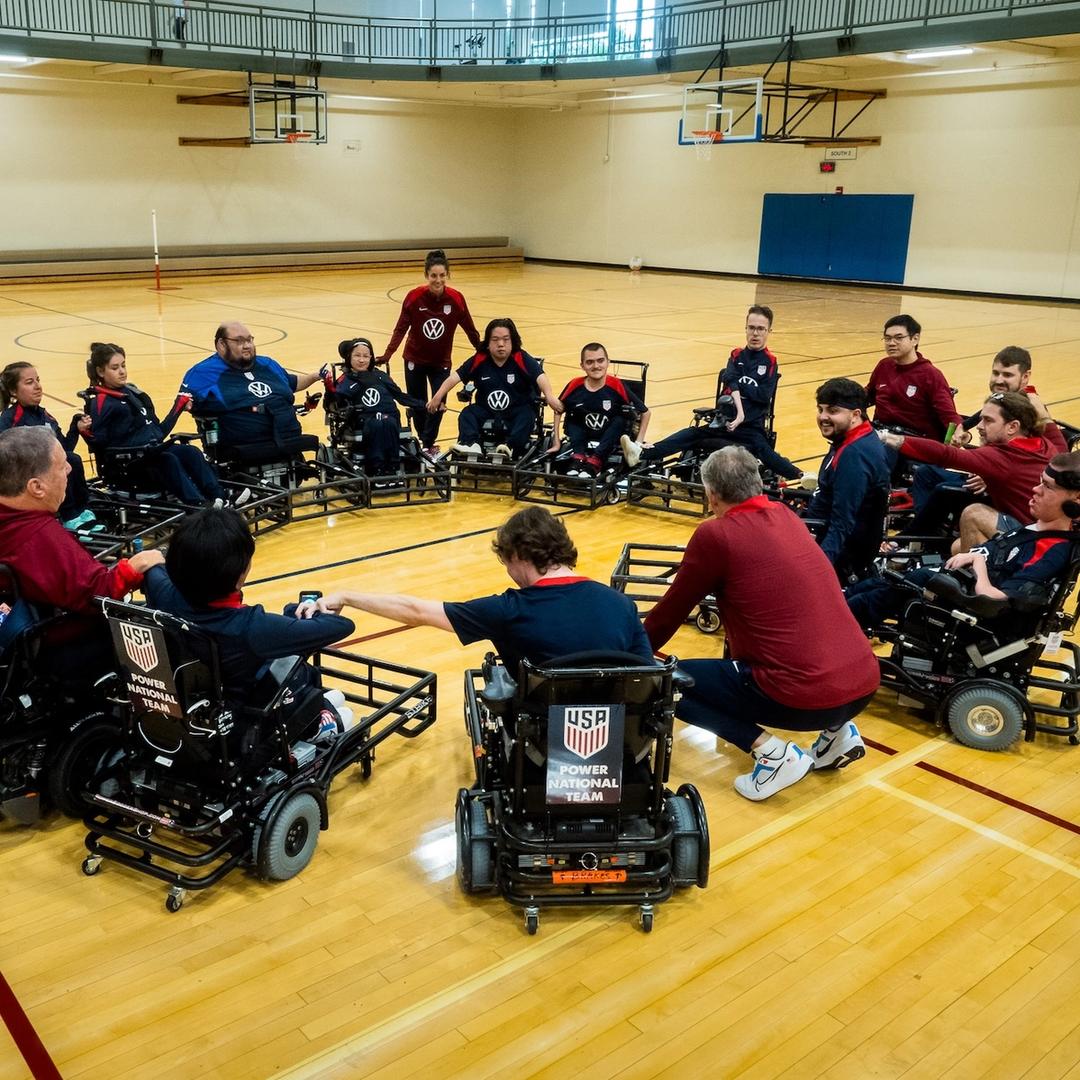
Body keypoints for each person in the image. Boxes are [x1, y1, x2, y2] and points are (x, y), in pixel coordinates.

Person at [643, 446, 880, 802]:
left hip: (805, 696)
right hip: (863, 683)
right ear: (758, 483)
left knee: (666, 684)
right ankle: (837, 736)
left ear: (711, 495)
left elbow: (670, 614)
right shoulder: (785, 515)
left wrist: (629, 655)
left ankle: (772, 753)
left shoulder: (716, 535)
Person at [297, 505, 652, 674]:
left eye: (506, 563)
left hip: (542, 727)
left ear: (517, 555)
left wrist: (346, 596)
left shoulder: (509, 609)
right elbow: (648, 674)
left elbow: (417, 611)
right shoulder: (621, 604)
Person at [143, 508, 355, 733]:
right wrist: (331, 602)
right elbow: (342, 626)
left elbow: (152, 568)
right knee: (337, 706)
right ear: (240, 576)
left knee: (328, 693)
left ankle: (321, 705)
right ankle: (318, 724)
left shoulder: (163, 592)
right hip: (243, 717)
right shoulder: (251, 627)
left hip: (197, 704)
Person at [847, 453, 1080, 631]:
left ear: (1075, 501)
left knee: (889, 589)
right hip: (954, 579)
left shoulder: (1052, 551)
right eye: (1040, 481)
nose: (1035, 489)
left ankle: (837, 622)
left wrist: (976, 561)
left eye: (1048, 487)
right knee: (875, 583)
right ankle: (836, 606)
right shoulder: (1034, 528)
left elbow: (993, 600)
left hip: (968, 609)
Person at [0, 427, 164, 674]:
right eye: (62, 465)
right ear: (37, 487)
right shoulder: (38, 537)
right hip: (60, 646)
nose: (69, 470)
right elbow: (98, 594)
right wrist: (134, 567)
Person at [620, 306, 802, 480]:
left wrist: (738, 383)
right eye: (752, 328)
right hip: (723, 426)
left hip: (750, 429)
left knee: (765, 451)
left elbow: (763, 396)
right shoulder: (736, 355)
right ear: (746, 329)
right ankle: (641, 453)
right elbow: (729, 380)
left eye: (761, 329)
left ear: (769, 331)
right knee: (689, 434)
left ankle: (801, 477)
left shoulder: (770, 362)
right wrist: (741, 385)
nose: (755, 333)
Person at [880, 390, 1067, 551]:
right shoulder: (1045, 443)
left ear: (1013, 427)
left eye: (987, 421)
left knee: (969, 517)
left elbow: (948, 455)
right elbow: (1055, 435)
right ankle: (920, 536)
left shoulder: (1002, 457)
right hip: (1044, 529)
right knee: (931, 479)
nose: (979, 426)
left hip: (1026, 538)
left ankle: (914, 543)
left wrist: (892, 439)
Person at [84, 342, 237, 507]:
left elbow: (157, 434)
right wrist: (83, 431)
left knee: (189, 452)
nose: (122, 371)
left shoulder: (133, 394)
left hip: (148, 453)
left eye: (123, 365)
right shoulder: (102, 402)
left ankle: (219, 498)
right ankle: (198, 506)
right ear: (100, 371)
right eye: (115, 368)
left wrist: (177, 408)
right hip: (127, 465)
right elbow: (100, 444)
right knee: (167, 459)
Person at [909, 346, 1043, 522]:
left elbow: (1035, 462)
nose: (999, 380)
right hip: (987, 471)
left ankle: (921, 533)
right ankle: (925, 528)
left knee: (943, 488)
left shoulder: (1033, 411)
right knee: (925, 473)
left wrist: (990, 476)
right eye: (996, 373)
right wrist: (963, 427)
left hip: (1004, 486)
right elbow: (980, 415)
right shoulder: (1006, 401)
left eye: (1008, 375)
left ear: (1025, 377)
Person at [378, 249, 482, 457]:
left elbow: (469, 328)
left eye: (442, 275)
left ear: (447, 275)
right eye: (434, 276)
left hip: (440, 362)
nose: (438, 280)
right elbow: (401, 328)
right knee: (418, 404)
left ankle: (427, 443)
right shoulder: (414, 297)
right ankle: (425, 444)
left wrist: (481, 350)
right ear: (427, 275)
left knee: (439, 402)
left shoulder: (456, 299)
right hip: (414, 360)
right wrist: (387, 354)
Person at [180, 321, 324, 464]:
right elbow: (184, 402)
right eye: (239, 341)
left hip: (287, 436)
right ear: (221, 344)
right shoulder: (203, 373)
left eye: (249, 340)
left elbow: (293, 383)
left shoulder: (267, 364)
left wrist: (315, 376)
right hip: (242, 443)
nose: (247, 345)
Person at [427, 318, 563, 460]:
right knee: (467, 414)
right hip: (486, 410)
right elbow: (454, 377)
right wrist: (437, 397)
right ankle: (472, 444)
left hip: (515, 410)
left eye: (506, 339)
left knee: (527, 415)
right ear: (487, 343)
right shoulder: (480, 359)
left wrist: (550, 396)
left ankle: (509, 447)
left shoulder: (521, 357)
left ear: (513, 341)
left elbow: (540, 376)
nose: (501, 344)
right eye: (495, 340)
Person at [805, 378, 891, 583]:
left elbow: (842, 522)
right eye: (820, 409)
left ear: (855, 415)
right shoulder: (852, 439)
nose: (823, 417)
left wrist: (816, 571)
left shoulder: (855, 455)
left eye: (833, 411)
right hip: (818, 527)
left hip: (839, 550)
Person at [0, 361, 100, 532]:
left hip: (47, 473)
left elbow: (64, 448)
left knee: (72, 459)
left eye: (38, 380)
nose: (38, 386)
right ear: (13, 391)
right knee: (60, 464)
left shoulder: (44, 415)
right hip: (27, 480)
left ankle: (80, 509)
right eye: (29, 382)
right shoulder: (10, 420)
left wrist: (75, 429)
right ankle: (69, 516)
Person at [325, 337, 426, 477]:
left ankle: (392, 466)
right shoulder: (345, 380)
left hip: (389, 417)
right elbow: (332, 405)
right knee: (378, 424)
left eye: (366, 356)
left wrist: (425, 405)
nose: (361, 360)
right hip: (361, 421)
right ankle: (377, 468)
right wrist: (330, 390)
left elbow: (400, 396)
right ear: (349, 357)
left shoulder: (381, 376)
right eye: (357, 356)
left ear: (371, 357)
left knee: (386, 422)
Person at [552, 342, 649, 476]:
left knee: (620, 419)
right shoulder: (575, 384)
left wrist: (638, 443)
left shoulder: (617, 385)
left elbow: (646, 412)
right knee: (573, 416)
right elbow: (558, 409)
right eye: (590, 362)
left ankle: (597, 460)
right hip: (583, 432)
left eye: (600, 361)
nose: (596, 366)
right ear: (582, 366)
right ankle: (578, 456)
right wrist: (556, 442)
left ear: (608, 362)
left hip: (609, 435)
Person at [865, 315, 962, 440]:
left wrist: (960, 431)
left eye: (898, 338)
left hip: (914, 442)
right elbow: (867, 395)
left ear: (915, 339)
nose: (891, 343)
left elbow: (948, 414)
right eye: (887, 338)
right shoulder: (884, 366)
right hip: (881, 436)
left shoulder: (930, 375)